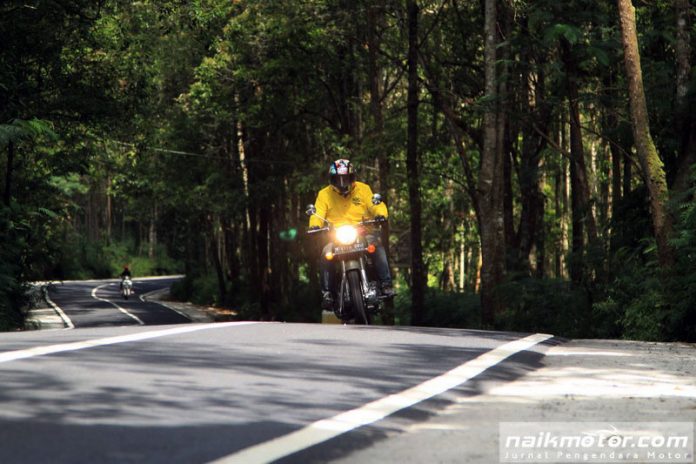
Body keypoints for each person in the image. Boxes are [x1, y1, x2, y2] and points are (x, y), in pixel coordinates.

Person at [308, 159, 394, 309]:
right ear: (332, 180)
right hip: (337, 237)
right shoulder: (324, 194)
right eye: (338, 179)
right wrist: (315, 225)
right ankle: (327, 293)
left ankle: (386, 283)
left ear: (352, 177)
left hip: (362, 232)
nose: (342, 182)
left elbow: (375, 205)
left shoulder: (363, 189)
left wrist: (380, 214)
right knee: (326, 253)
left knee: (376, 245)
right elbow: (318, 213)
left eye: (346, 178)